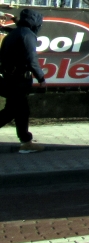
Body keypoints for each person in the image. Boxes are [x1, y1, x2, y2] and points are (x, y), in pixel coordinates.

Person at [0, 8, 47, 153]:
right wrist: (41, 78)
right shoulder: (28, 36)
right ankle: (26, 143)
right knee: (14, 111)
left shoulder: (14, 34)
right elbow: (31, 59)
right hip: (18, 81)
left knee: (18, 111)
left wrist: (15, 20)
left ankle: (26, 142)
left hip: (9, 78)